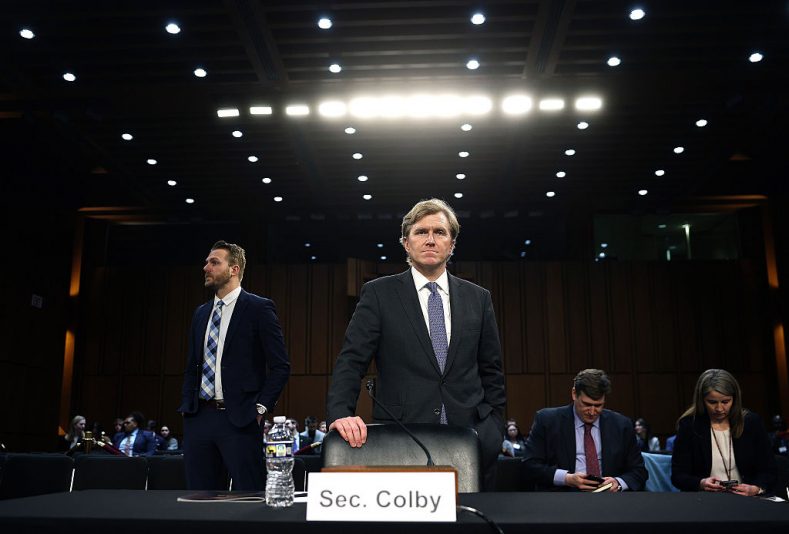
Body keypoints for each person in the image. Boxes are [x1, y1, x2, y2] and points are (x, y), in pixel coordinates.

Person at [326, 198, 506, 490]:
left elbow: (492, 371)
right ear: (406, 243)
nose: (431, 240)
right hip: (401, 438)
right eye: (421, 232)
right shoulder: (378, 294)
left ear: (452, 244)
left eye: (440, 232)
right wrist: (341, 413)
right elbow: (351, 361)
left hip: (470, 440)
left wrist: (493, 428)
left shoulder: (479, 298)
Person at [178, 240, 291, 490]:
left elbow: (281, 366)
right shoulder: (200, 313)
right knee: (200, 500)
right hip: (198, 418)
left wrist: (260, 409)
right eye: (207, 262)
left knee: (248, 498)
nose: (206, 267)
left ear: (234, 269)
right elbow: (191, 366)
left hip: (239, 419)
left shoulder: (259, 308)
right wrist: (188, 408)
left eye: (214, 262)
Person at [522, 369, 647, 492]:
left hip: (609, 500)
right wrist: (566, 478)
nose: (592, 412)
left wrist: (618, 483)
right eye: (586, 404)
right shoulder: (547, 421)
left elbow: (639, 472)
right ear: (574, 394)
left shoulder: (622, 425)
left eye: (598, 405)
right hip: (562, 499)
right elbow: (529, 466)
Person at [671, 369, 777, 496]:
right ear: (701, 400)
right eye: (712, 402)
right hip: (704, 501)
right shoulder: (689, 426)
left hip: (748, 501)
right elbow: (678, 476)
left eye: (725, 402)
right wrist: (700, 483)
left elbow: (769, 470)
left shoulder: (751, 423)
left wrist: (755, 488)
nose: (719, 409)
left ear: (735, 399)